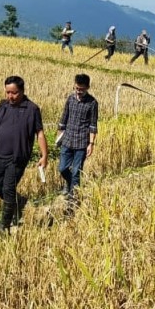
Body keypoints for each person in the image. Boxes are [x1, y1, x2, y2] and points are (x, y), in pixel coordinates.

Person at [0, 75, 48, 231]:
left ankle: (4, 226)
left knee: (8, 189)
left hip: (17, 157)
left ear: (22, 91)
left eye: (14, 93)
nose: (10, 96)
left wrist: (44, 155)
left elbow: (39, 133)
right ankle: (19, 202)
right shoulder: (2, 107)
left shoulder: (32, 109)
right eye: (7, 92)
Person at [56, 73, 99, 208]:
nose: (79, 92)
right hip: (67, 139)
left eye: (82, 89)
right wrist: (59, 137)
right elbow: (64, 118)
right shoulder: (70, 99)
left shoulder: (92, 103)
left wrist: (91, 144)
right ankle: (68, 184)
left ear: (88, 88)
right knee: (62, 168)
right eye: (77, 89)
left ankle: (74, 196)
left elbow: (93, 125)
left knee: (76, 171)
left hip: (81, 142)